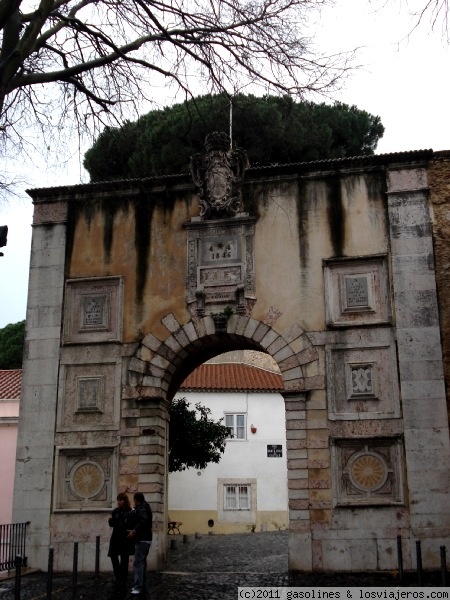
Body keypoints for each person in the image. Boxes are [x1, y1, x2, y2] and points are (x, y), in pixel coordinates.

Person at [127, 492, 153, 596]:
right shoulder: (146, 507)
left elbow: (142, 521)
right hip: (146, 538)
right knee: (142, 563)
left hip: (142, 539)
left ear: (136, 500)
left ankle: (138, 587)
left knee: (138, 563)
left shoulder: (141, 509)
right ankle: (142, 584)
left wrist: (134, 531)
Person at [108, 493, 134, 590]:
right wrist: (112, 522)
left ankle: (123, 577)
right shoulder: (115, 511)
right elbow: (112, 524)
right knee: (113, 556)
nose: (119, 502)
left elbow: (127, 524)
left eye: (121, 500)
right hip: (115, 537)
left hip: (124, 537)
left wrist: (115, 522)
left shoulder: (129, 511)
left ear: (125, 500)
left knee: (124, 558)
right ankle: (118, 575)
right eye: (118, 500)